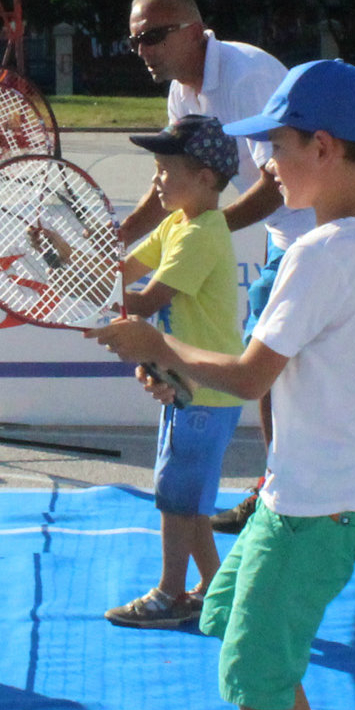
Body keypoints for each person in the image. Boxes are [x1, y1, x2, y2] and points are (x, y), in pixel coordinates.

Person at [90, 60, 355, 710]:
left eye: (277, 149)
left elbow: (253, 374)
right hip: (327, 494)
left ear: (323, 146)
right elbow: (293, 370)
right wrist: (175, 366)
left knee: (256, 676)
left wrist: (159, 346)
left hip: (317, 506)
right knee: (234, 623)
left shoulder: (316, 256)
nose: (267, 168)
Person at [122, 0, 355, 535]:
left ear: (193, 29)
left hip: (312, 231)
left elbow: (274, 182)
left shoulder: (247, 76)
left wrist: (206, 231)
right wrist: (127, 233)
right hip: (297, 233)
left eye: (153, 36)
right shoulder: (184, 94)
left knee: (267, 360)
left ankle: (277, 492)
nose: (143, 48)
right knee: (308, 362)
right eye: (135, 38)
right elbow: (176, 177)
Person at [102, 114, 245, 628]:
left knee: (176, 499)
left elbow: (143, 301)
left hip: (204, 395)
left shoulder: (202, 233)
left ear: (205, 178)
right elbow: (120, 274)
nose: (157, 179)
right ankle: (216, 591)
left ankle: (170, 595)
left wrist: (89, 299)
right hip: (189, 391)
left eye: (166, 168)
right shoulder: (177, 223)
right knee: (188, 500)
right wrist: (68, 260)